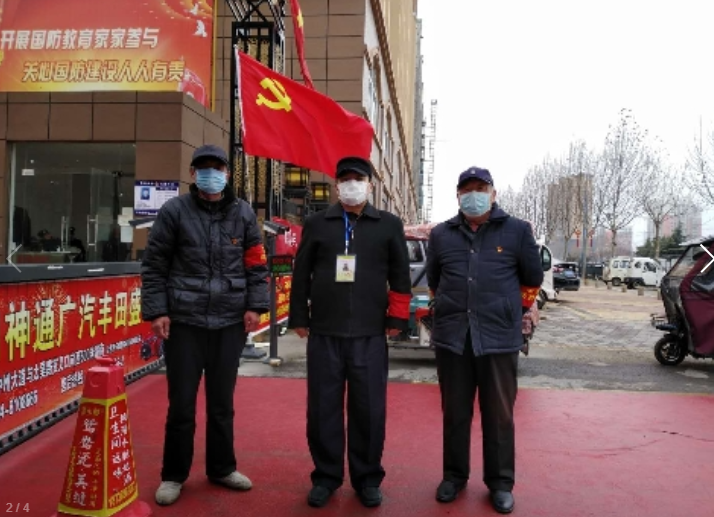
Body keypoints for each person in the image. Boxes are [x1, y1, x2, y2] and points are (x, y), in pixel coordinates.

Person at [141, 144, 270, 506]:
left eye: (217, 167)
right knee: (181, 404)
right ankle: (173, 475)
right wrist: (158, 311)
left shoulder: (243, 213)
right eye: (203, 168)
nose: (210, 173)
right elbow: (155, 266)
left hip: (229, 322)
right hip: (185, 322)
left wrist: (255, 306)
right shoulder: (174, 211)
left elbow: (256, 265)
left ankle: (222, 468)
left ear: (227, 173)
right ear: (193, 174)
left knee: (221, 403)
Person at [289, 156, 412, 508]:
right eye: (345, 179)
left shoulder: (388, 224)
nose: (352, 184)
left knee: (369, 411)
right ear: (336, 185)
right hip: (324, 333)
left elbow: (400, 275)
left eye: (358, 179)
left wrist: (397, 318)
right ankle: (326, 477)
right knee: (322, 409)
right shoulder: (317, 223)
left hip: (370, 334)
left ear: (370, 185)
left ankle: (367, 478)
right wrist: (299, 316)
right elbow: (302, 273)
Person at [425, 166, 543, 514]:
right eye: (467, 190)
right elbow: (435, 280)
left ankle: (501, 483)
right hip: (453, 338)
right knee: (455, 412)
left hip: (498, 338)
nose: (473, 195)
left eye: (480, 188)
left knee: (499, 415)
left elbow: (532, 277)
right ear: (458, 196)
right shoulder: (441, 234)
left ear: (493, 194)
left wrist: (514, 310)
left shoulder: (517, 231)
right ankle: (454, 476)